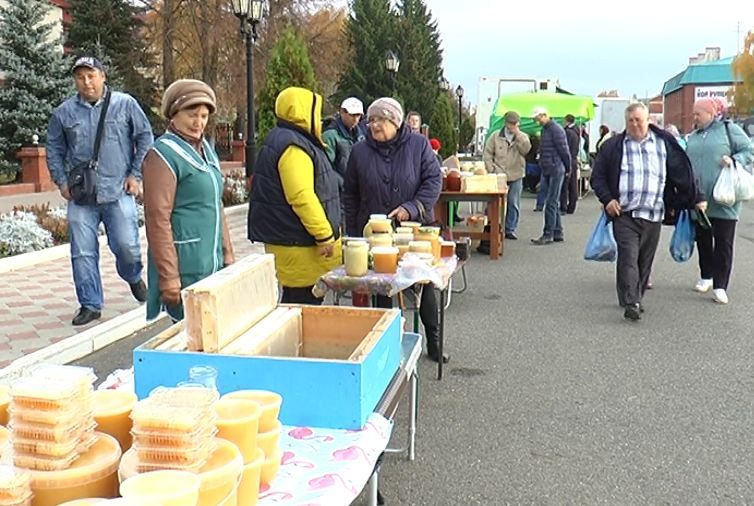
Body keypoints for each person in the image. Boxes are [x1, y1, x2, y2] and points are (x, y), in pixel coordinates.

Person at [46, 56, 153, 326]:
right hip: (82, 196)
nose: (86, 82)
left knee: (127, 246)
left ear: (103, 76)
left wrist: (135, 175)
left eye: (91, 75)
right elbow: (55, 150)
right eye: (80, 77)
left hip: (117, 190)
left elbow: (145, 137)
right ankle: (90, 304)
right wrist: (61, 181)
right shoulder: (64, 113)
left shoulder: (125, 104)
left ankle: (132, 276)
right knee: (82, 251)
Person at [343, 97, 446, 362]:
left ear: (395, 122)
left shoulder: (418, 145)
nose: (373, 125)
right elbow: (351, 195)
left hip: (413, 232)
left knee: (423, 283)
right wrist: (354, 236)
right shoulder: (360, 151)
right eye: (371, 119)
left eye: (380, 120)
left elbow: (434, 180)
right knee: (381, 286)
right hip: (375, 234)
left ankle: (433, 341)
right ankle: (384, 348)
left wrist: (412, 207)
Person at [591, 103, 702, 320]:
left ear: (648, 120)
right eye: (630, 121)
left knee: (644, 261)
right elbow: (598, 177)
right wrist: (608, 200)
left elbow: (683, 172)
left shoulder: (664, 144)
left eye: (638, 120)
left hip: (654, 213)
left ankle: (632, 295)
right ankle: (632, 301)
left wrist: (697, 197)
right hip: (625, 213)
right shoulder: (614, 146)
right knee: (628, 257)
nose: (634, 124)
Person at [141, 79, 235, 322]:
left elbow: (216, 203)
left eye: (204, 116)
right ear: (174, 114)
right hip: (186, 264)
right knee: (190, 336)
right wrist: (169, 276)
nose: (199, 122)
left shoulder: (206, 149)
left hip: (211, 260)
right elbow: (157, 218)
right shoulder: (162, 154)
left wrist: (228, 253)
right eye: (192, 114)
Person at [247, 87, 342, 305]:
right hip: (299, 245)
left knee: (295, 305)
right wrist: (324, 235)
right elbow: (301, 196)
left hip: (293, 243)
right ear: (303, 113)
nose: (318, 120)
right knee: (301, 308)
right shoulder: (294, 146)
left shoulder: (289, 139)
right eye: (315, 114)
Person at [684, 97, 754, 304]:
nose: (694, 117)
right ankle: (706, 275)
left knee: (723, 243)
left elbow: (749, 150)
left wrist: (734, 160)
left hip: (725, 199)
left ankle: (720, 285)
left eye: (698, 113)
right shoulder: (694, 135)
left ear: (711, 113)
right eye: (694, 113)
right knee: (703, 241)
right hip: (700, 200)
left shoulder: (729, 130)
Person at [483, 110, 531, 240]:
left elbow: (526, 150)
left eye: (515, 124)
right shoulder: (495, 136)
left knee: (513, 202)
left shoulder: (523, 137)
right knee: (493, 202)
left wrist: (518, 135)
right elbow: (487, 154)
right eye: (511, 124)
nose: (513, 126)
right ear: (506, 123)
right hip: (498, 174)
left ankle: (510, 229)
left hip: (516, 174)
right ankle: (492, 226)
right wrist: (491, 169)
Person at [530, 107, 570, 244]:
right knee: (553, 202)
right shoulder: (547, 129)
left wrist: (568, 168)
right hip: (550, 168)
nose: (536, 121)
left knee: (551, 202)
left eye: (538, 118)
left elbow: (564, 151)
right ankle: (557, 232)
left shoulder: (555, 130)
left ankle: (548, 234)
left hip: (555, 168)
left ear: (545, 115)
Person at [322, 97, 366, 182]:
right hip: (340, 187)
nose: (355, 119)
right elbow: (326, 167)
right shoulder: (330, 135)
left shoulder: (362, 135)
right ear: (342, 112)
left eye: (358, 115)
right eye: (352, 115)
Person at [561, 114, 580, 214]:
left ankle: (563, 207)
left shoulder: (567, 133)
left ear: (567, 121)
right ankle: (572, 206)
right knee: (573, 185)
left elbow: (565, 149)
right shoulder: (577, 131)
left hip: (568, 160)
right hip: (574, 160)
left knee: (565, 185)